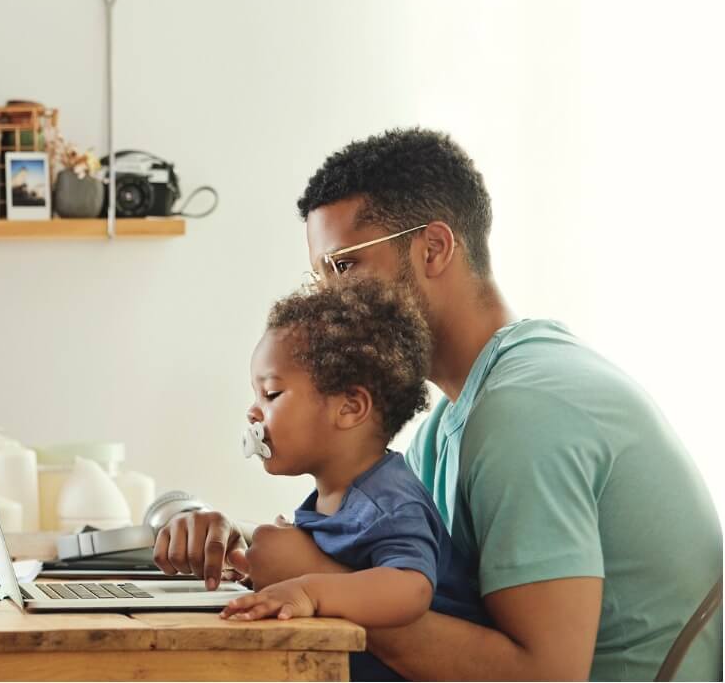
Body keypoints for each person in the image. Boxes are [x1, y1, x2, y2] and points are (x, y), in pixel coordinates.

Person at [155, 128, 721, 680]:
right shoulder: (451, 420)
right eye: (320, 275)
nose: (328, 298)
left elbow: (544, 675)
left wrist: (313, 579)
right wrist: (242, 544)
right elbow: (399, 569)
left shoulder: (527, 412)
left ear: (433, 248)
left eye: (344, 266)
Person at [217, 278, 488, 681]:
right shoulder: (337, 496)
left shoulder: (388, 500)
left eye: (271, 395)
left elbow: (411, 588)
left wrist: (309, 589)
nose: (253, 414)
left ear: (350, 408)